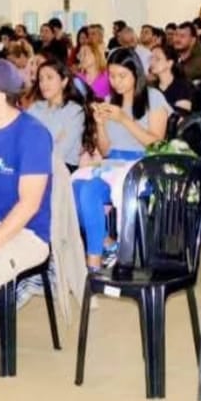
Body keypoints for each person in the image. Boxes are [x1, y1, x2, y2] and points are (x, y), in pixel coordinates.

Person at [72, 48, 169, 271]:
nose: (116, 82)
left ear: (136, 73)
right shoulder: (109, 101)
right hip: (113, 164)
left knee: (89, 191)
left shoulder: (153, 98)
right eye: (112, 76)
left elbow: (156, 144)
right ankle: (107, 243)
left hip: (144, 165)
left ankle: (94, 263)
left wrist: (125, 119)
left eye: (122, 76)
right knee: (76, 188)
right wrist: (99, 125)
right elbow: (106, 150)